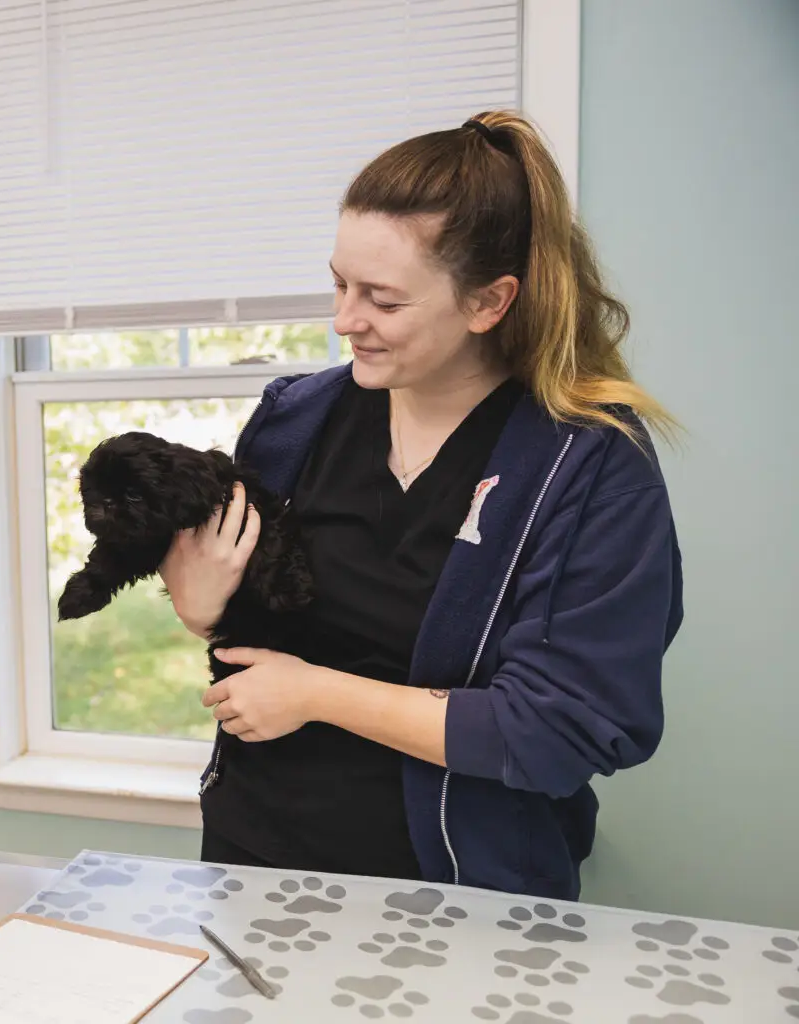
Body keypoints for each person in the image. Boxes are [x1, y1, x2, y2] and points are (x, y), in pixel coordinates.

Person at [160, 111, 683, 900]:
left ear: (489, 302)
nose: (344, 322)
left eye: (383, 300)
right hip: (254, 858)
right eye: (338, 283)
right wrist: (201, 610)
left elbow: (561, 729)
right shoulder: (292, 424)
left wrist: (318, 694)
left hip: (465, 892)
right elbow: (256, 626)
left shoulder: (590, 466)